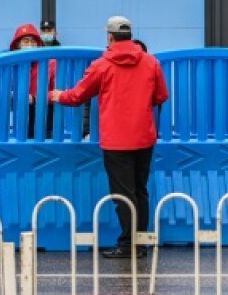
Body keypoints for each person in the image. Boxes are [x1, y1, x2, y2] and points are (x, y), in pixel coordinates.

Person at [50, 16, 169, 259]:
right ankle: (139, 243)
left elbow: (78, 96)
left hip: (117, 140)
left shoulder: (102, 65)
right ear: (131, 36)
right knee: (140, 191)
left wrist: (59, 95)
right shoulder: (151, 63)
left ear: (110, 37)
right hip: (144, 137)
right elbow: (161, 96)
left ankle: (128, 246)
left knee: (123, 195)